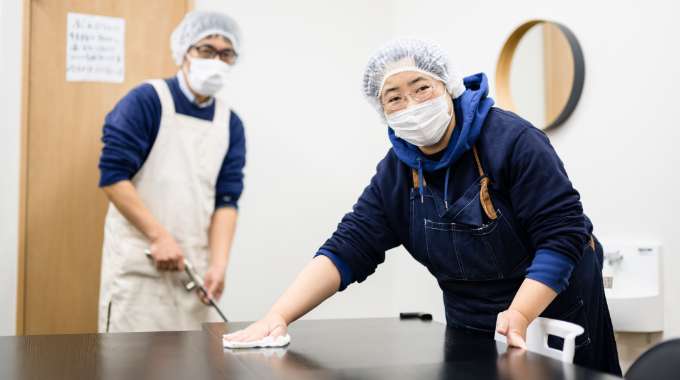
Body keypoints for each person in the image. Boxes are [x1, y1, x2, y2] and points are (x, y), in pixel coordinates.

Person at [226, 38, 621, 375]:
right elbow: (349, 245)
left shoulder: (512, 140)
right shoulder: (397, 171)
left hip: (551, 307)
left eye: (421, 89)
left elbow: (562, 234)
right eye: (393, 98)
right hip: (471, 320)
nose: (410, 105)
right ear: (381, 111)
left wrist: (519, 314)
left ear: (447, 85)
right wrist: (277, 316)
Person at [97, 10, 246, 333]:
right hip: (139, 269)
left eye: (226, 53)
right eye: (207, 50)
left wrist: (219, 264)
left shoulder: (229, 123)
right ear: (184, 52)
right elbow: (112, 177)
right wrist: (158, 235)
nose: (216, 60)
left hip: (191, 275)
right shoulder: (147, 101)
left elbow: (227, 199)